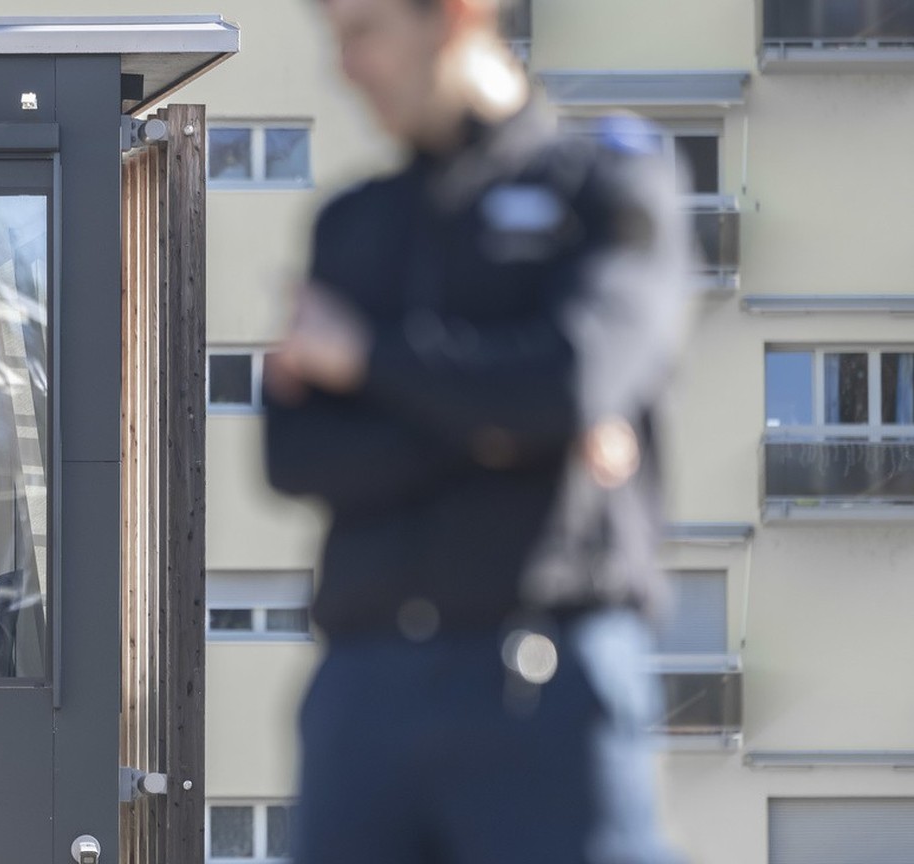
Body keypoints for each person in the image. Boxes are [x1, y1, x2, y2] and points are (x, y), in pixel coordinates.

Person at [263, 0, 692, 862]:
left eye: (364, 32)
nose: (345, 66)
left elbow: (572, 380)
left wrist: (369, 360)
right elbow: (294, 455)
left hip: (544, 689)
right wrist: (512, 431)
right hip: (365, 697)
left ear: (457, 16)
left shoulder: (605, 187)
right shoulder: (352, 225)